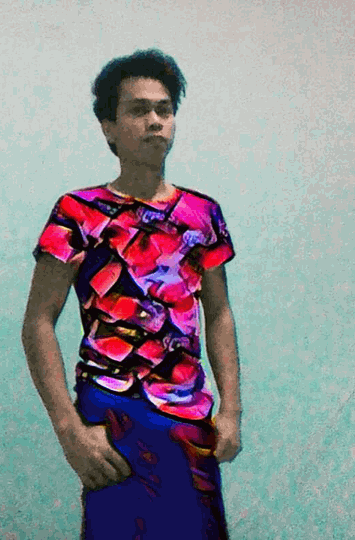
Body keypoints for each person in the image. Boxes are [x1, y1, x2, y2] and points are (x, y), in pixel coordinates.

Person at [22, 48, 242, 540]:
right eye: (139, 110)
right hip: (112, 416)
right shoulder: (78, 212)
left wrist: (231, 410)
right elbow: (38, 321)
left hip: (188, 416)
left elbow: (219, 314)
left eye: (164, 109)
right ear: (109, 126)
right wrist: (68, 430)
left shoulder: (202, 214)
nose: (155, 121)